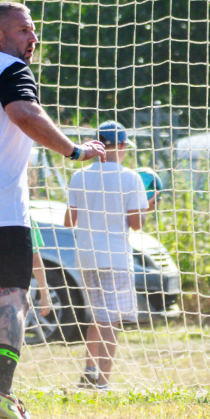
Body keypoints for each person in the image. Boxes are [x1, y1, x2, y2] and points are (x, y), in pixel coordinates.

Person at [0, 0, 104, 419]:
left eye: (33, 32)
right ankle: (0, 388)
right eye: (23, 32)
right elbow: (25, 115)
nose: (33, 39)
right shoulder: (10, 70)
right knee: (13, 297)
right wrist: (75, 150)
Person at [64, 121, 151, 389]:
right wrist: (150, 204)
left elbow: (69, 221)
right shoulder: (131, 178)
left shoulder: (79, 176)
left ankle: (88, 372)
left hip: (87, 255)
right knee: (110, 321)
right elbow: (136, 224)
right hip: (114, 257)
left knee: (97, 316)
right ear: (123, 146)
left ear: (97, 144)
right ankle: (102, 380)